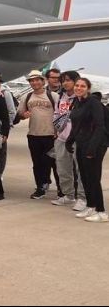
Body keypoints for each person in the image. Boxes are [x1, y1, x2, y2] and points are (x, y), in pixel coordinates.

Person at [67, 78, 108, 222]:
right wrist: (70, 139)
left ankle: (101, 211)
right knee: (84, 176)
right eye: (77, 85)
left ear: (88, 88)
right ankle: (90, 206)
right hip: (82, 143)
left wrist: (92, 148)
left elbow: (100, 127)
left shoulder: (94, 103)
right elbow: (76, 124)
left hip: (95, 145)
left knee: (93, 178)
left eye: (82, 86)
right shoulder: (77, 102)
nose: (79, 88)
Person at [18, 70, 60, 200]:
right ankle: (40, 187)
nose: (34, 82)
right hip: (34, 135)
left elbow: (61, 115)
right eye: (32, 80)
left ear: (43, 81)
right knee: (37, 163)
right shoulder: (27, 97)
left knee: (54, 163)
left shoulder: (53, 96)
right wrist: (23, 115)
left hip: (50, 135)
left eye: (37, 80)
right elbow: (20, 113)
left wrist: (57, 131)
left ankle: (62, 189)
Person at [52, 71, 86, 210]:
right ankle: (68, 195)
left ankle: (83, 198)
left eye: (68, 80)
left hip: (79, 139)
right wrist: (56, 129)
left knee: (82, 169)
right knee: (63, 168)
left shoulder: (83, 99)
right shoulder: (61, 97)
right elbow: (56, 114)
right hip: (62, 138)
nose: (65, 83)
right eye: (63, 80)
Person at [0, 70, 16, 177]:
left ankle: (0, 173)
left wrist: (6, 126)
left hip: (1, 128)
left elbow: (12, 111)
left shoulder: (5, 93)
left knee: (1, 152)